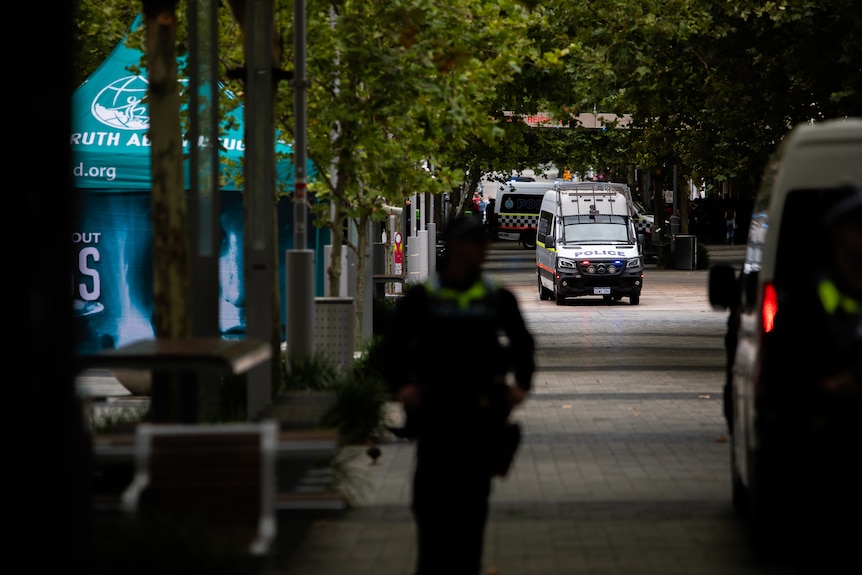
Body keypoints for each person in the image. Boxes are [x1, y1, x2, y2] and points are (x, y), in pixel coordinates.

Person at [381, 215, 535, 575]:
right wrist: (401, 387)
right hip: (435, 413)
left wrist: (520, 386)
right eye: (476, 242)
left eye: (485, 242)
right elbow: (392, 347)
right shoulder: (424, 298)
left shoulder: (497, 296)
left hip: (480, 415)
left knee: (471, 508)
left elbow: (523, 344)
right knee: (430, 505)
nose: (484, 249)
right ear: (455, 247)